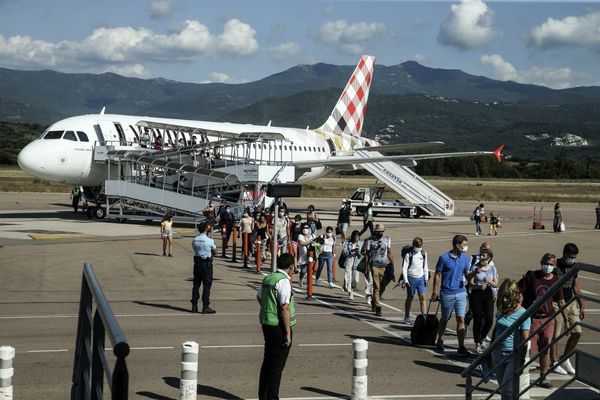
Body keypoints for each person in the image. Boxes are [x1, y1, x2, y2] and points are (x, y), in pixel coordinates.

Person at [518, 253, 569, 389]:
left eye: (551, 264)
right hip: (531, 318)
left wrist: (566, 319)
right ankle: (523, 374)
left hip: (548, 319)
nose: (548, 266)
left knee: (545, 349)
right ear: (541, 263)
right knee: (527, 348)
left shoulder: (556, 280)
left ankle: (543, 376)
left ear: (555, 265)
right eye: (546, 263)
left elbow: (561, 300)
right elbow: (519, 292)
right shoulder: (532, 276)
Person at [257, 253, 296, 400]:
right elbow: (284, 308)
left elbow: (259, 296)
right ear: (291, 267)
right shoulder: (284, 282)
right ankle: (272, 397)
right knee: (277, 366)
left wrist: (268, 309)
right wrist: (287, 333)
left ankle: (263, 395)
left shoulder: (268, 278)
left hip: (267, 323)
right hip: (279, 326)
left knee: (268, 361)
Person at [431, 234, 471, 355]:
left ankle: (461, 346)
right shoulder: (444, 258)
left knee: (461, 318)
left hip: (460, 293)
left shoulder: (465, 259)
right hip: (447, 293)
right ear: (457, 245)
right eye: (464, 245)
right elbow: (437, 274)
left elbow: (467, 275)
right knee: (445, 318)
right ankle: (440, 338)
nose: (466, 247)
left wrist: (474, 273)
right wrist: (435, 291)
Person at [493, 279, 531, 400]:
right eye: (503, 296)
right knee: (502, 389)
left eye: (507, 296)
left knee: (508, 391)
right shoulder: (502, 308)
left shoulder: (523, 314)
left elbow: (525, 340)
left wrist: (521, 360)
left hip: (513, 356)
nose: (504, 299)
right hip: (497, 353)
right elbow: (496, 329)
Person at [550, 243, 584, 375]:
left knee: (577, 332)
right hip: (556, 303)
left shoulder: (574, 266)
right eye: (571, 257)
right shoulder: (555, 266)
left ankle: (565, 358)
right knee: (556, 335)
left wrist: (581, 304)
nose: (573, 259)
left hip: (571, 302)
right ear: (564, 254)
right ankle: (554, 362)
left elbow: (575, 285)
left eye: (574, 257)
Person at [467, 248, 498, 353]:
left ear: (489, 258)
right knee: (478, 319)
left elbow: (496, 283)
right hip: (476, 294)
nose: (481, 257)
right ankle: (477, 343)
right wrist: (477, 285)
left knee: (489, 319)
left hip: (488, 293)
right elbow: (470, 282)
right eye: (480, 256)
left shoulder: (492, 269)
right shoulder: (475, 267)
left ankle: (482, 338)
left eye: (483, 256)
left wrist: (488, 281)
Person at [362, 223, 393, 316]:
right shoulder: (370, 241)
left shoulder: (387, 239)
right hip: (374, 265)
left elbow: (389, 253)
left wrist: (392, 265)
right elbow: (367, 254)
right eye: (378, 232)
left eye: (382, 232)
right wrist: (366, 267)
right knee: (376, 287)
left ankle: (374, 300)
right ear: (375, 232)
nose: (380, 234)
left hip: (384, 265)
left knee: (383, 286)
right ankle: (378, 307)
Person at [190, 222, 216, 314]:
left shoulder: (195, 240)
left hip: (197, 263)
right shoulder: (209, 240)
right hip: (206, 264)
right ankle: (205, 306)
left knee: (196, 285)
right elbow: (214, 251)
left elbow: (194, 248)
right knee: (206, 286)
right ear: (206, 229)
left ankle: (194, 305)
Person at [402, 237, 429, 325]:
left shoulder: (424, 253)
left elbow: (425, 266)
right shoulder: (408, 255)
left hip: (421, 278)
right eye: (417, 246)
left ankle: (424, 317)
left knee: (423, 297)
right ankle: (407, 316)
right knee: (410, 297)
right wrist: (406, 280)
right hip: (411, 278)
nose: (419, 247)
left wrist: (426, 278)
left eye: (420, 246)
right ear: (413, 245)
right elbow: (404, 268)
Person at [341, 230, 363, 301]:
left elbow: (361, 255)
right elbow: (344, 253)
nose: (357, 238)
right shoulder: (347, 243)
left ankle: (348, 286)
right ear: (353, 236)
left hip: (356, 262)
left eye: (358, 236)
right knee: (348, 276)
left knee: (355, 279)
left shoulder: (360, 243)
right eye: (356, 236)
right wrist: (352, 251)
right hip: (349, 260)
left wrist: (358, 252)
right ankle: (351, 292)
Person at [297, 224, 315, 288]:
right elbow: (301, 243)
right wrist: (310, 241)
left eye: (307, 228)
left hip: (311, 256)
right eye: (304, 228)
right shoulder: (300, 236)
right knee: (303, 271)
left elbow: (316, 243)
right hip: (303, 257)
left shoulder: (313, 235)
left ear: (309, 229)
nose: (305, 229)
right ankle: (300, 278)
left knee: (310, 271)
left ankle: (309, 285)